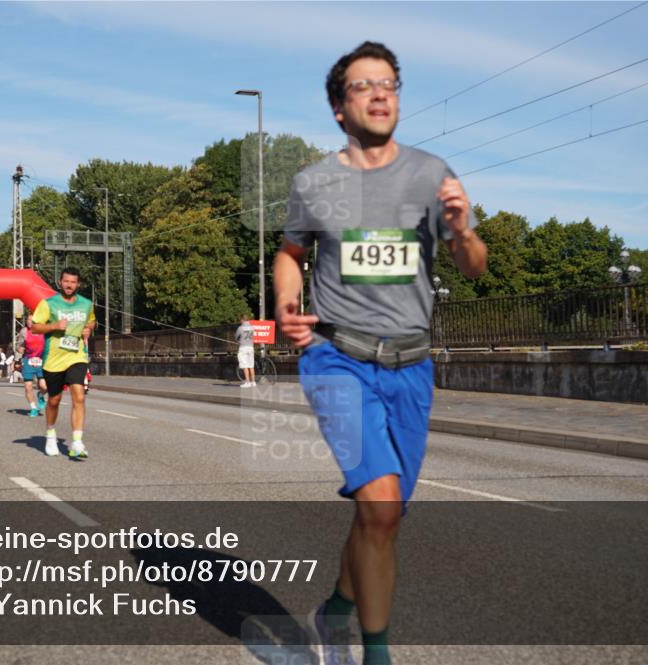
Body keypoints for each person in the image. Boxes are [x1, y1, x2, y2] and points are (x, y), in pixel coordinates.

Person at [273, 42, 487, 665]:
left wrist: (463, 230)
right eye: (363, 86)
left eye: (389, 83)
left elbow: (473, 266)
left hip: (412, 366)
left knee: (382, 516)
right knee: (382, 504)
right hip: (337, 358)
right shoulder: (314, 182)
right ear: (339, 109)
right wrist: (286, 302)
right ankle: (376, 653)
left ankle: (335, 611)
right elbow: (290, 253)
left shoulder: (431, 174)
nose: (379, 94)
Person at [30, 267, 96, 458]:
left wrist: (89, 329)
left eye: (73, 282)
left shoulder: (86, 304)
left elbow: (91, 321)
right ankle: (51, 434)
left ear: (78, 284)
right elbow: (35, 327)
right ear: (60, 282)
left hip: (77, 356)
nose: (69, 285)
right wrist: (54, 326)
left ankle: (77, 442)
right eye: (66, 281)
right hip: (54, 359)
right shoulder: (48, 304)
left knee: (79, 396)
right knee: (54, 400)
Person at [235, 314, 257, 387]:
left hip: (243, 348)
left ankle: (247, 382)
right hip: (250, 347)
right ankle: (253, 382)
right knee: (251, 365)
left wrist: (238, 341)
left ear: (242, 320)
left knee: (245, 365)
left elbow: (236, 337)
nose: (240, 321)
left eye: (240, 320)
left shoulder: (240, 328)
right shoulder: (252, 327)